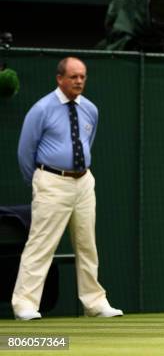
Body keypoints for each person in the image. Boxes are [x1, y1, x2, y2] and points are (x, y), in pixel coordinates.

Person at [12, 57, 123, 320]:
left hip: (84, 182)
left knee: (87, 244)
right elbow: (25, 151)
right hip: (51, 181)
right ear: (60, 79)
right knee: (41, 244)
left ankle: (94, 303)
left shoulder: (90, 109)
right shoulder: (42, 109)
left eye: (82, 76)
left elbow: (87, 142)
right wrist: (41, 181)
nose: (79, 81)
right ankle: (24, 305)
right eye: (73, 77)